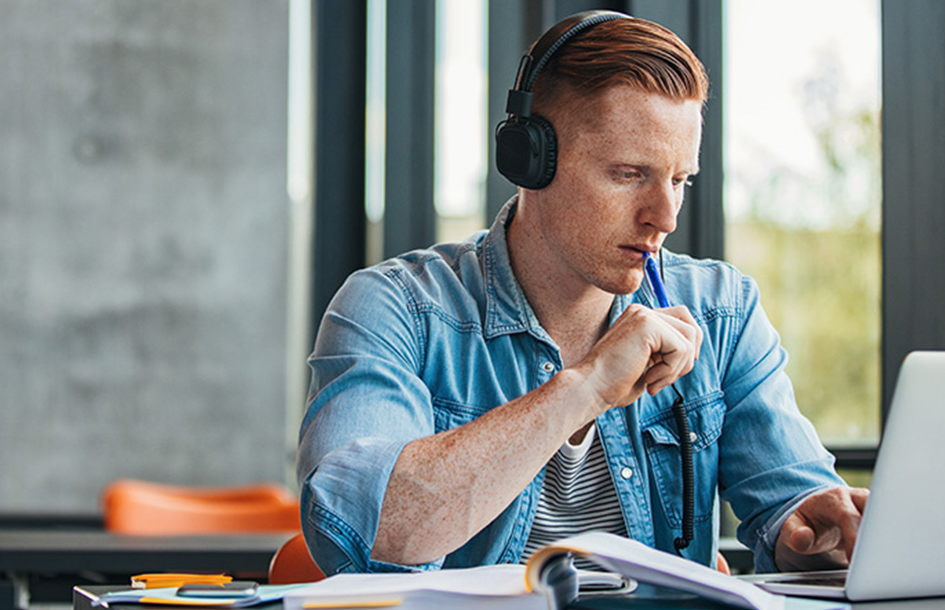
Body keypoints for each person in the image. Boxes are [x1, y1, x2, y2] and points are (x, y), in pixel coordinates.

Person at [296, 10, 868, 576]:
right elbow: (369, 531)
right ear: (530, 161)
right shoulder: (395, 309)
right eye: (628, 174)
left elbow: (792, 509)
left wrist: (813, 529)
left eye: (679, 180)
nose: (664, 217)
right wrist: (587, 385)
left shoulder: (723, 311)